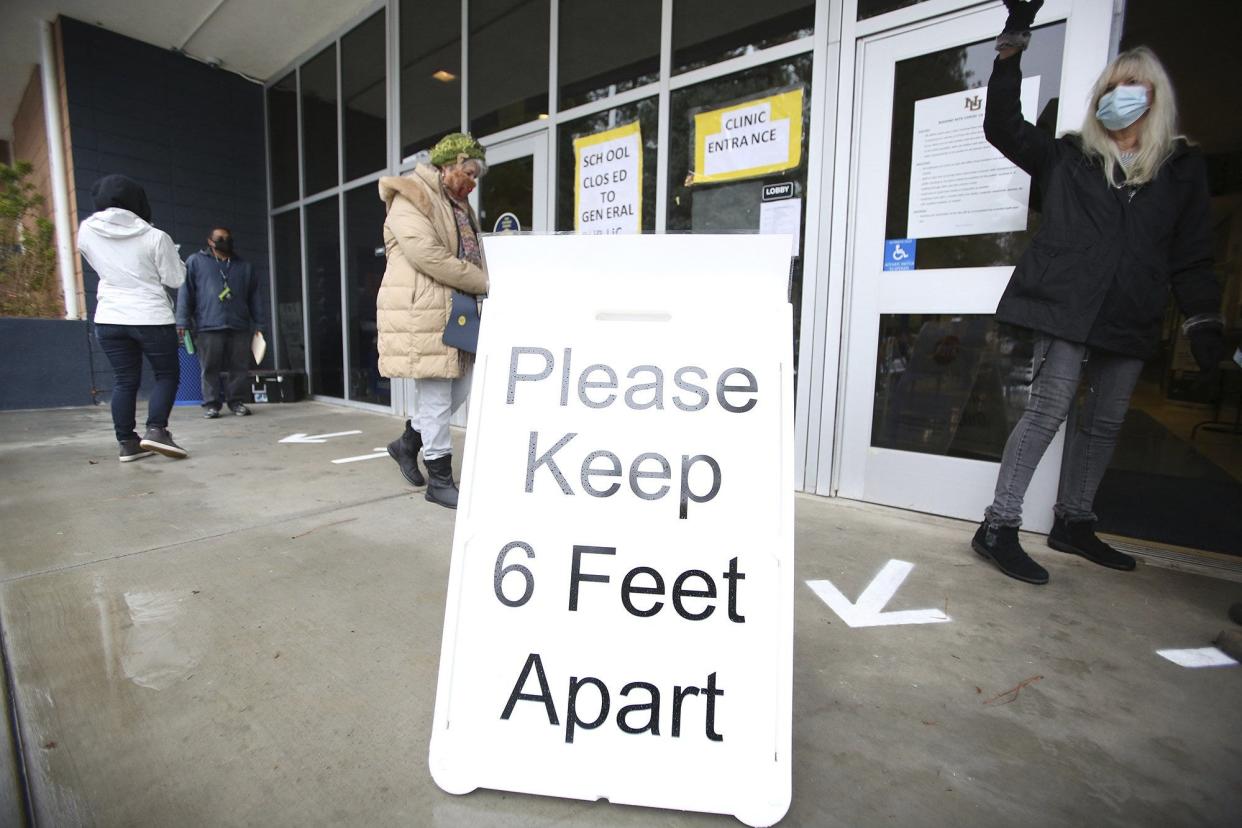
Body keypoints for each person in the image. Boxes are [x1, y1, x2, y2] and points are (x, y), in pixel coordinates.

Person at [971, 0, 1225, 585]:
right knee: (1047, 410)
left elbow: (1190, 253)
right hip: (1066, 305)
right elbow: (1002, 128)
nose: (1120, 95)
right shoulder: (1068, 157)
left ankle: (1074, 522)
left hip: (1132, 309)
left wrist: (1203, 319)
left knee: (1105, 422)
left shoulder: (1180, 169)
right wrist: (1012, 47)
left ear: (1154, 97)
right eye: (1112, 86)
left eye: (1133, 86)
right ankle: (997, 525)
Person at [376, 133, 489, 509]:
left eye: (476, 176)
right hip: (423, 309)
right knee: (439, 396)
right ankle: (439, 479)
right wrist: (486, 283)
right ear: (450, 164)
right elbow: (428, 256)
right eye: (469, 172)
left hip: (455, 308)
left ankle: (407, 443)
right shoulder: (412, 196)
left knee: (460, 389)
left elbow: (471, 253)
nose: (472, 182)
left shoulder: (459, 204)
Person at [79, 174, 188, 461]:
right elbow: (175, 279)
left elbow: (96, 262)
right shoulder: (155, 237)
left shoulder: (87, 231)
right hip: (150, 315)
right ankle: (157, 431)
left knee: (124, 380)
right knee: (166, 375)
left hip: (110, 316)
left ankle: (127, 442)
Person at [176, 227, 265, 418]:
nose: (225, 241)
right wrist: (182, 322)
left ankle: (236, 402)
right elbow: (186, 294)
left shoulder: (244, 266)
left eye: (228, 238)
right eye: (220, 238)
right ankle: (211, 404)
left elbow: (255, 297)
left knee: (239, 367)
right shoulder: (196, 262)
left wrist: (259, 323)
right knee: (209, 367)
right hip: (208, 324)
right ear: (210, 241)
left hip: (239, 324)